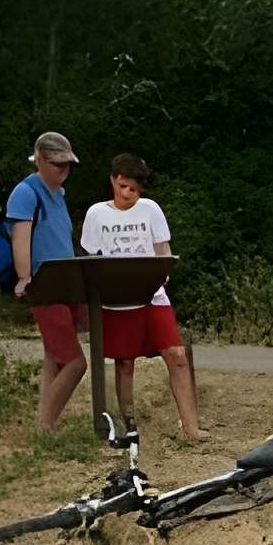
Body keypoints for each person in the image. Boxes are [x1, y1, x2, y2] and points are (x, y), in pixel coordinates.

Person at [82, 153, 200, 443]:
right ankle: (129, 421)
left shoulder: (150, 210)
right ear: (113, 180)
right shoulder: (96, 214)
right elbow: (90, 259)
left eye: (133, 189)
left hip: (152, 294)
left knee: (176, 354)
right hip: (116, 297)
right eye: (122, 186)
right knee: (125, 362)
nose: (126, 194)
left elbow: (163, 251)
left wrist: (160, 277)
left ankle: (191, 428)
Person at [5, 131, 87, 432]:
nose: (63, 171)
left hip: (67, 284)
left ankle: (45, 425)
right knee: (76, 362)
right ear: (39, 160)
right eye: (57, 164)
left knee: (54, 355)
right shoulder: (26, 192)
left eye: (68, 165)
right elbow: (21, 238)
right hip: (45, 286)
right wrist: (25, 278)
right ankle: (44, 425)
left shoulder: (59, 195)